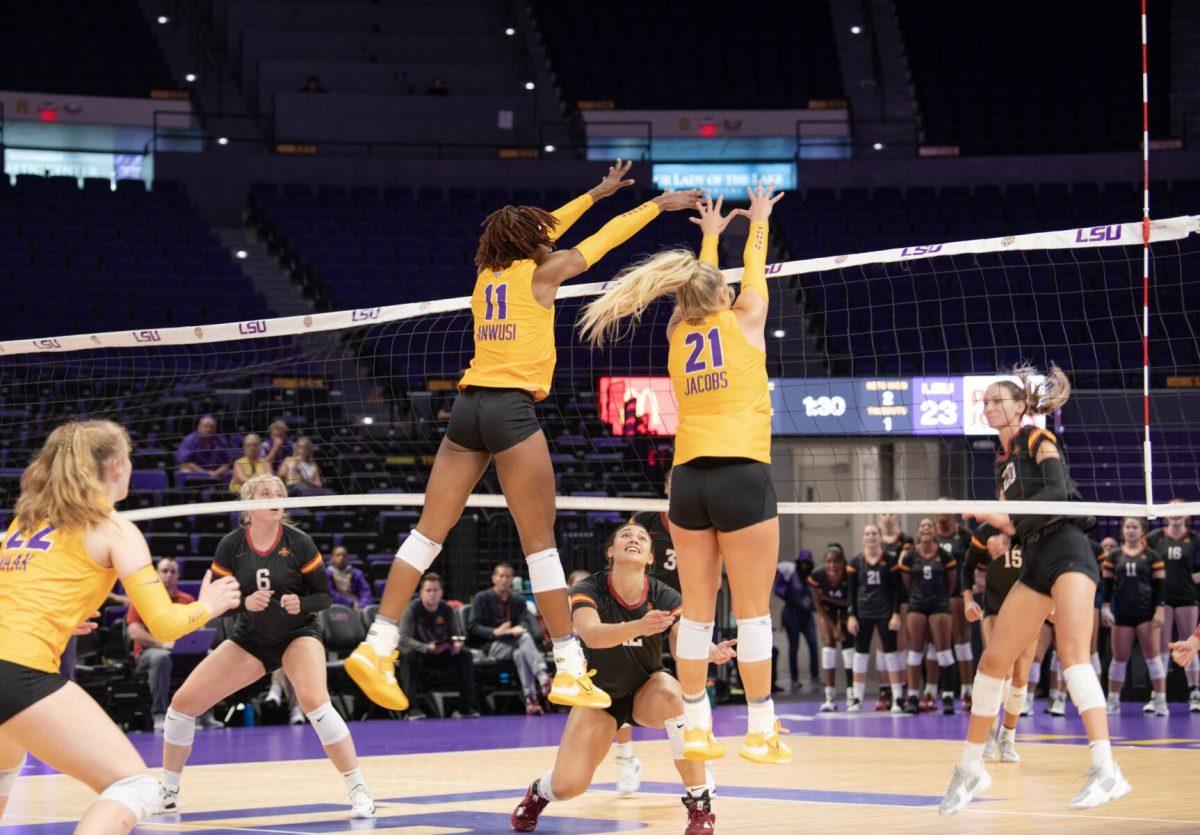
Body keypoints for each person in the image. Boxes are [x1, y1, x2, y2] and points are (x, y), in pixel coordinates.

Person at [347, 159, 702, 714]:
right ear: (532, 243)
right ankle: (566, 667)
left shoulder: (487, 275)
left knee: (425, 536)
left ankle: (378, 644)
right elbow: (600, 244)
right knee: (541, 546)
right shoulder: (542, 274)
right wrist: (654, 206)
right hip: (511, 410)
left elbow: (549, 225)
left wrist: (595, 193)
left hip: (466, 411)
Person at [577, 184, 791, 765]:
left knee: (696, 614)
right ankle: (761, 728)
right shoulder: (745, 319)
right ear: (722, 293)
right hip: (742, 475)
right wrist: (758, 222)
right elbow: (754, 274)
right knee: (751, 614)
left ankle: (696, 726)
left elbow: (706, 286)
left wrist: (711, 236)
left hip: (690, 481)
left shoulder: (676, 333)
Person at [0, 420, 240, 833]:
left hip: (10, 658)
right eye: (129, 459)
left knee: (5, 765)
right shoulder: (113, 528)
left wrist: (61, 617)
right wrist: (208, 605)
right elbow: (164, 623)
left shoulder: (24, 525)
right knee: (133, 786)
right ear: (115, 466)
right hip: (17, 669)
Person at [940, 364, 1129, 815]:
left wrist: (999, 516)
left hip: (1068, 550)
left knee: (1072, 656)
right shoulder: (1003, 461)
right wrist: (1000, 527)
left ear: (1020, 406)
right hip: (1037, 558)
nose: (986, 407)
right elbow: (1016, 517)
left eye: (994, 400)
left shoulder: (1036, 439)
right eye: (983, 402)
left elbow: (1058, 491)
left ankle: (1106, 768)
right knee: (993, 660)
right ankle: (970, 769)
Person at [155, 475, 375, 819]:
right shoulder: (232, 545)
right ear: (248, 505)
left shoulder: (299, 542)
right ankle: (168, 792)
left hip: (297, 634)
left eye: (279, 492)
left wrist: (299, 604)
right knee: (181, 706)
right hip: (250, 639)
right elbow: (215, 598)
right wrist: (246, 602)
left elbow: (323, 597)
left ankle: (358, 789)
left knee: (315, 701)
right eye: (265, 492)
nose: (274, 496)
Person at [509, 523, 735, 834]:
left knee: (674, 696)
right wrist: (639, 626)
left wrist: (709, 651)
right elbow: (591, 635)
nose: (634, 539)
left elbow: (679, 639)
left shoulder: (664, 594)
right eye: (625, 536)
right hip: (598, 697)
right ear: (610, 552)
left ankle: (700, 804)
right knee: (568, 786)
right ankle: (539, 792)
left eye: (642, 538)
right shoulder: (588, 589)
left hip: (646, 689)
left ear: (650, 558)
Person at [963, 529, 1035, 762]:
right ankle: (990, 731)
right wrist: (967, 601)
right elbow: (967, 567)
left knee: (1021, 675)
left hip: (1029, 606)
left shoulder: (1033, 524)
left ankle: (1008, 738)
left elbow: (1048, 563)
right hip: (995, 607)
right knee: (1000, 670)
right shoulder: (985, 531)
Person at [126, 557, 218, 731]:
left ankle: (205, 713)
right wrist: (163, 644)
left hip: (181, 653)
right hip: (150, 653)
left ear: (178, 575)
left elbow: (200, 629)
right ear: (157, 574)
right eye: (164, 571)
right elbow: (134, 632)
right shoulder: (142, 599)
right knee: (161, 658)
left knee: (209, 657)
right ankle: (159, 715)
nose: (168, 575)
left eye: (172, 571)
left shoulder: (187, 599)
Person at [1100, 517, 1167, 716]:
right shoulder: (1114, 557)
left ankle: (1161, 701)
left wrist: (1159, 609)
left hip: (1146, 612)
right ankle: (1113, 702)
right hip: (1122, 612)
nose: (1131, 530)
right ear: (1122, 530)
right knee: (1119, 659)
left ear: (1142, 531)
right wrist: (1105, 607)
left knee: (1153, 657)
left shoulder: (1152, 556)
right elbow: (1107, 586)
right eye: (1127, 527)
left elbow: (1160, 587)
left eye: (1135, 527)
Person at [467, 562, 551, 715]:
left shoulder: (518, 600)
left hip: (514, 644)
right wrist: (496, 632)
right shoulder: (482, 598)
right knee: (524, 639)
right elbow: (472, 626)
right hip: (491, 646)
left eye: (508, 576)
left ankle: (530, 700)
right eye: (501, 576)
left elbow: (526, 621)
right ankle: (543, 676)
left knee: (521, 651)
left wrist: (520, 627)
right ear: (494, 578)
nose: (504, 579)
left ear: (512, 579)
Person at [898, 519, 958, 714]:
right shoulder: (909, 556)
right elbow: (906, 583)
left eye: (929, 526)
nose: (925, 528)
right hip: (917, 604)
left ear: (933, 531)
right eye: (922, 526)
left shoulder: (944, 555)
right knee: (915, 652)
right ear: (918, 531)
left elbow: (951, 582)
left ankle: (948, 696)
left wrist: (941, 598)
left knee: (943, 651)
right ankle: (913, 697)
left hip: (939, 603)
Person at [1145, 499, 1200, 711]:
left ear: (1187, 514)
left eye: (1180, 510)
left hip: (1187, 597)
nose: (1175, 514)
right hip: (1163, 599)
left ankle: (1195, 692)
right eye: (1171, 509)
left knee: (1191, 642)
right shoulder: (1155, 537)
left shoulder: (1194, 538)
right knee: (1162, 647)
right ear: (1165, 514)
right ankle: (1158, 695)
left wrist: (1194, 578)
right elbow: (1135, 554)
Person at [398, 573, 478, 718]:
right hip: (420, 655)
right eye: (428, 590)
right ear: (421, 592)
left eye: (435, 590)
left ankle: (465, 707)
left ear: (441, 592)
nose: (432, 594)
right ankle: (411, 709)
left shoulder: (446, 609)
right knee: (408, 655)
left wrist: (457, 644)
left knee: (465, 655)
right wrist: (425, 647)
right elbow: (403, 639)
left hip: (441, 653)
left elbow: (456, 634)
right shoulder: (411, 609)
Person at [847, 523, 906, 713]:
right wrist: (851, 616)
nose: (871, 537)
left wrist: (896, 613)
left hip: (884, 613)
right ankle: (857, 698)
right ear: (863, 538)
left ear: (880, 537)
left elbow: (897, 590)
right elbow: (851, 591)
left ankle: (898, 698)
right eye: (867, 534)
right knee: (860, 655)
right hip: (863, 613)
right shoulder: (856, 562)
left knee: (891, 654)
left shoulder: (890, 561)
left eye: (874, 533)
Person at [935, 508, 975, 711]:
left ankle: (967, 690)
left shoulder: (965, 535)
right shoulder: (929, 535)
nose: (942, 513)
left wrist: (975, 583)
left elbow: (974, 561)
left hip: (958, 593)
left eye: (947, 509)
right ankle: (935, 691)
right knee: (937, 644)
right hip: (934, 595)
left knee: (961, 640)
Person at [809, 547, 853, 711]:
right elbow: (817, 604)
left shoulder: (850, 574)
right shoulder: (817, 575)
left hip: (847, 609)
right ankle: (830, 696)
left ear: (843, 563)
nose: (832, 566)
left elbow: (852, 601)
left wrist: (826, 596)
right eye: (828, 562)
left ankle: (851, 695)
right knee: (828, 648)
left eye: (836, 562)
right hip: (827, 610)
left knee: (849, 650)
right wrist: (834, 628)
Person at [774, 549, 819, 692]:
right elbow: (778, 589)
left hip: (806, 615)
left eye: (807, 562)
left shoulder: (813, 576)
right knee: (794, 647)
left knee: (813, 644)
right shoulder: (790, 573)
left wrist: (812, 605)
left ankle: (815, 676)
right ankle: (794, 679)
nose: (805, 565)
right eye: (802, 562)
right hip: (791, 614)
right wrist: (789, 595)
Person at [327, 546, 372, 610]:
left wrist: (362, 605)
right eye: (337, 555)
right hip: (335, 608)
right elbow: (331, 594)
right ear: (332, 558)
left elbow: (366, 592)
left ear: (347, 558)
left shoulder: (356, 573)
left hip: (357, 608)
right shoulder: (327, 574)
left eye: (344, 555)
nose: (341, 558)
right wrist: (350, 603)